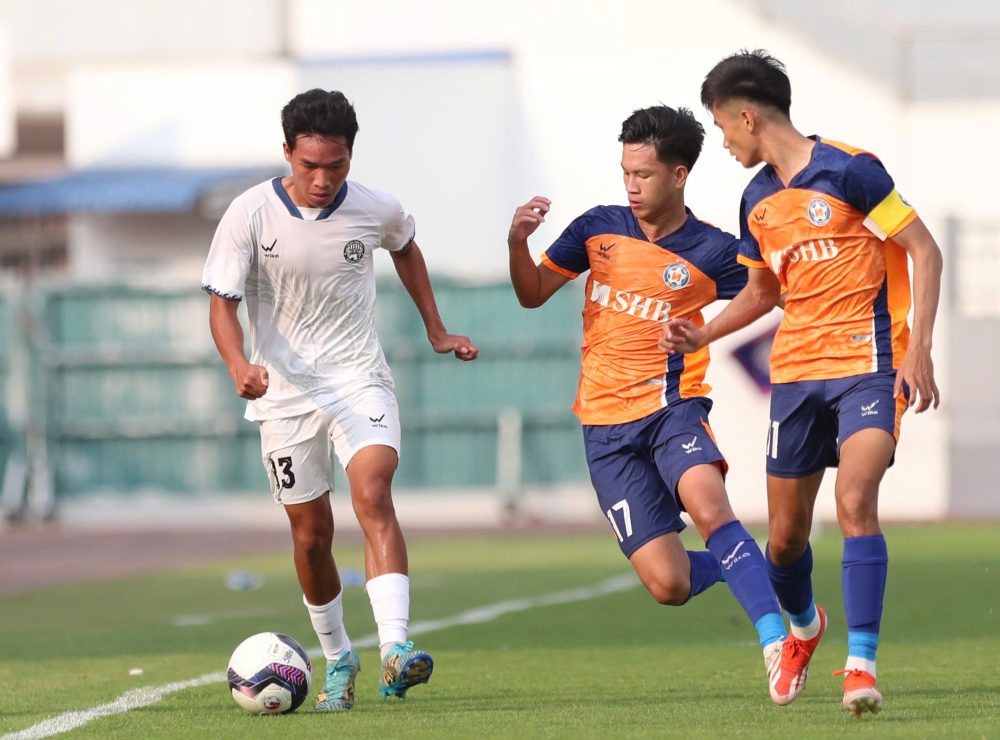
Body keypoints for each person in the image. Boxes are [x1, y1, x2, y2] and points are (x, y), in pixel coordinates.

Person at [662, 49, 943, 717]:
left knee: (855, 499)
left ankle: (861, 666)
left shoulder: (851, 171)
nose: (723, 142)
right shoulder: (757, 199)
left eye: (723, 128)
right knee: (784, 542)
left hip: (868, 367)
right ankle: (805, 629)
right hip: (795, 379)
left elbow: (924, 249)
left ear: (747, 116)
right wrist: (705, 332)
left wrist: (920, 350)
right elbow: (763, 291)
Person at [507, 105, 801, 704]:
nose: (632, 186)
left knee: (708, 506)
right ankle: (761, 572)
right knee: (668, 584)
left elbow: (770, 293)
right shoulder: (597, 228)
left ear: (679, 174)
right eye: (625, 173)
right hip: (604, 428)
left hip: (674, 408)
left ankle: (778, 641)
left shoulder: (715, 251)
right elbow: (533, 293)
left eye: (644, 174)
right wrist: (517, 242)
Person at [202, 89, 478, 712]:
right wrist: (238, 364)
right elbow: (221, 302)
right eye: (310, 167)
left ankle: (397, 649)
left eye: (337, 165)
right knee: (310, 536)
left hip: (359, 376)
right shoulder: (248, 214)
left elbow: (406, 246)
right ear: (287, 154)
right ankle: (337, 659)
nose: (323, 180)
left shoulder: (376, 208)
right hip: (283, 393)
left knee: (374, 491)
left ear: (352, 157)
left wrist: (437, 329)